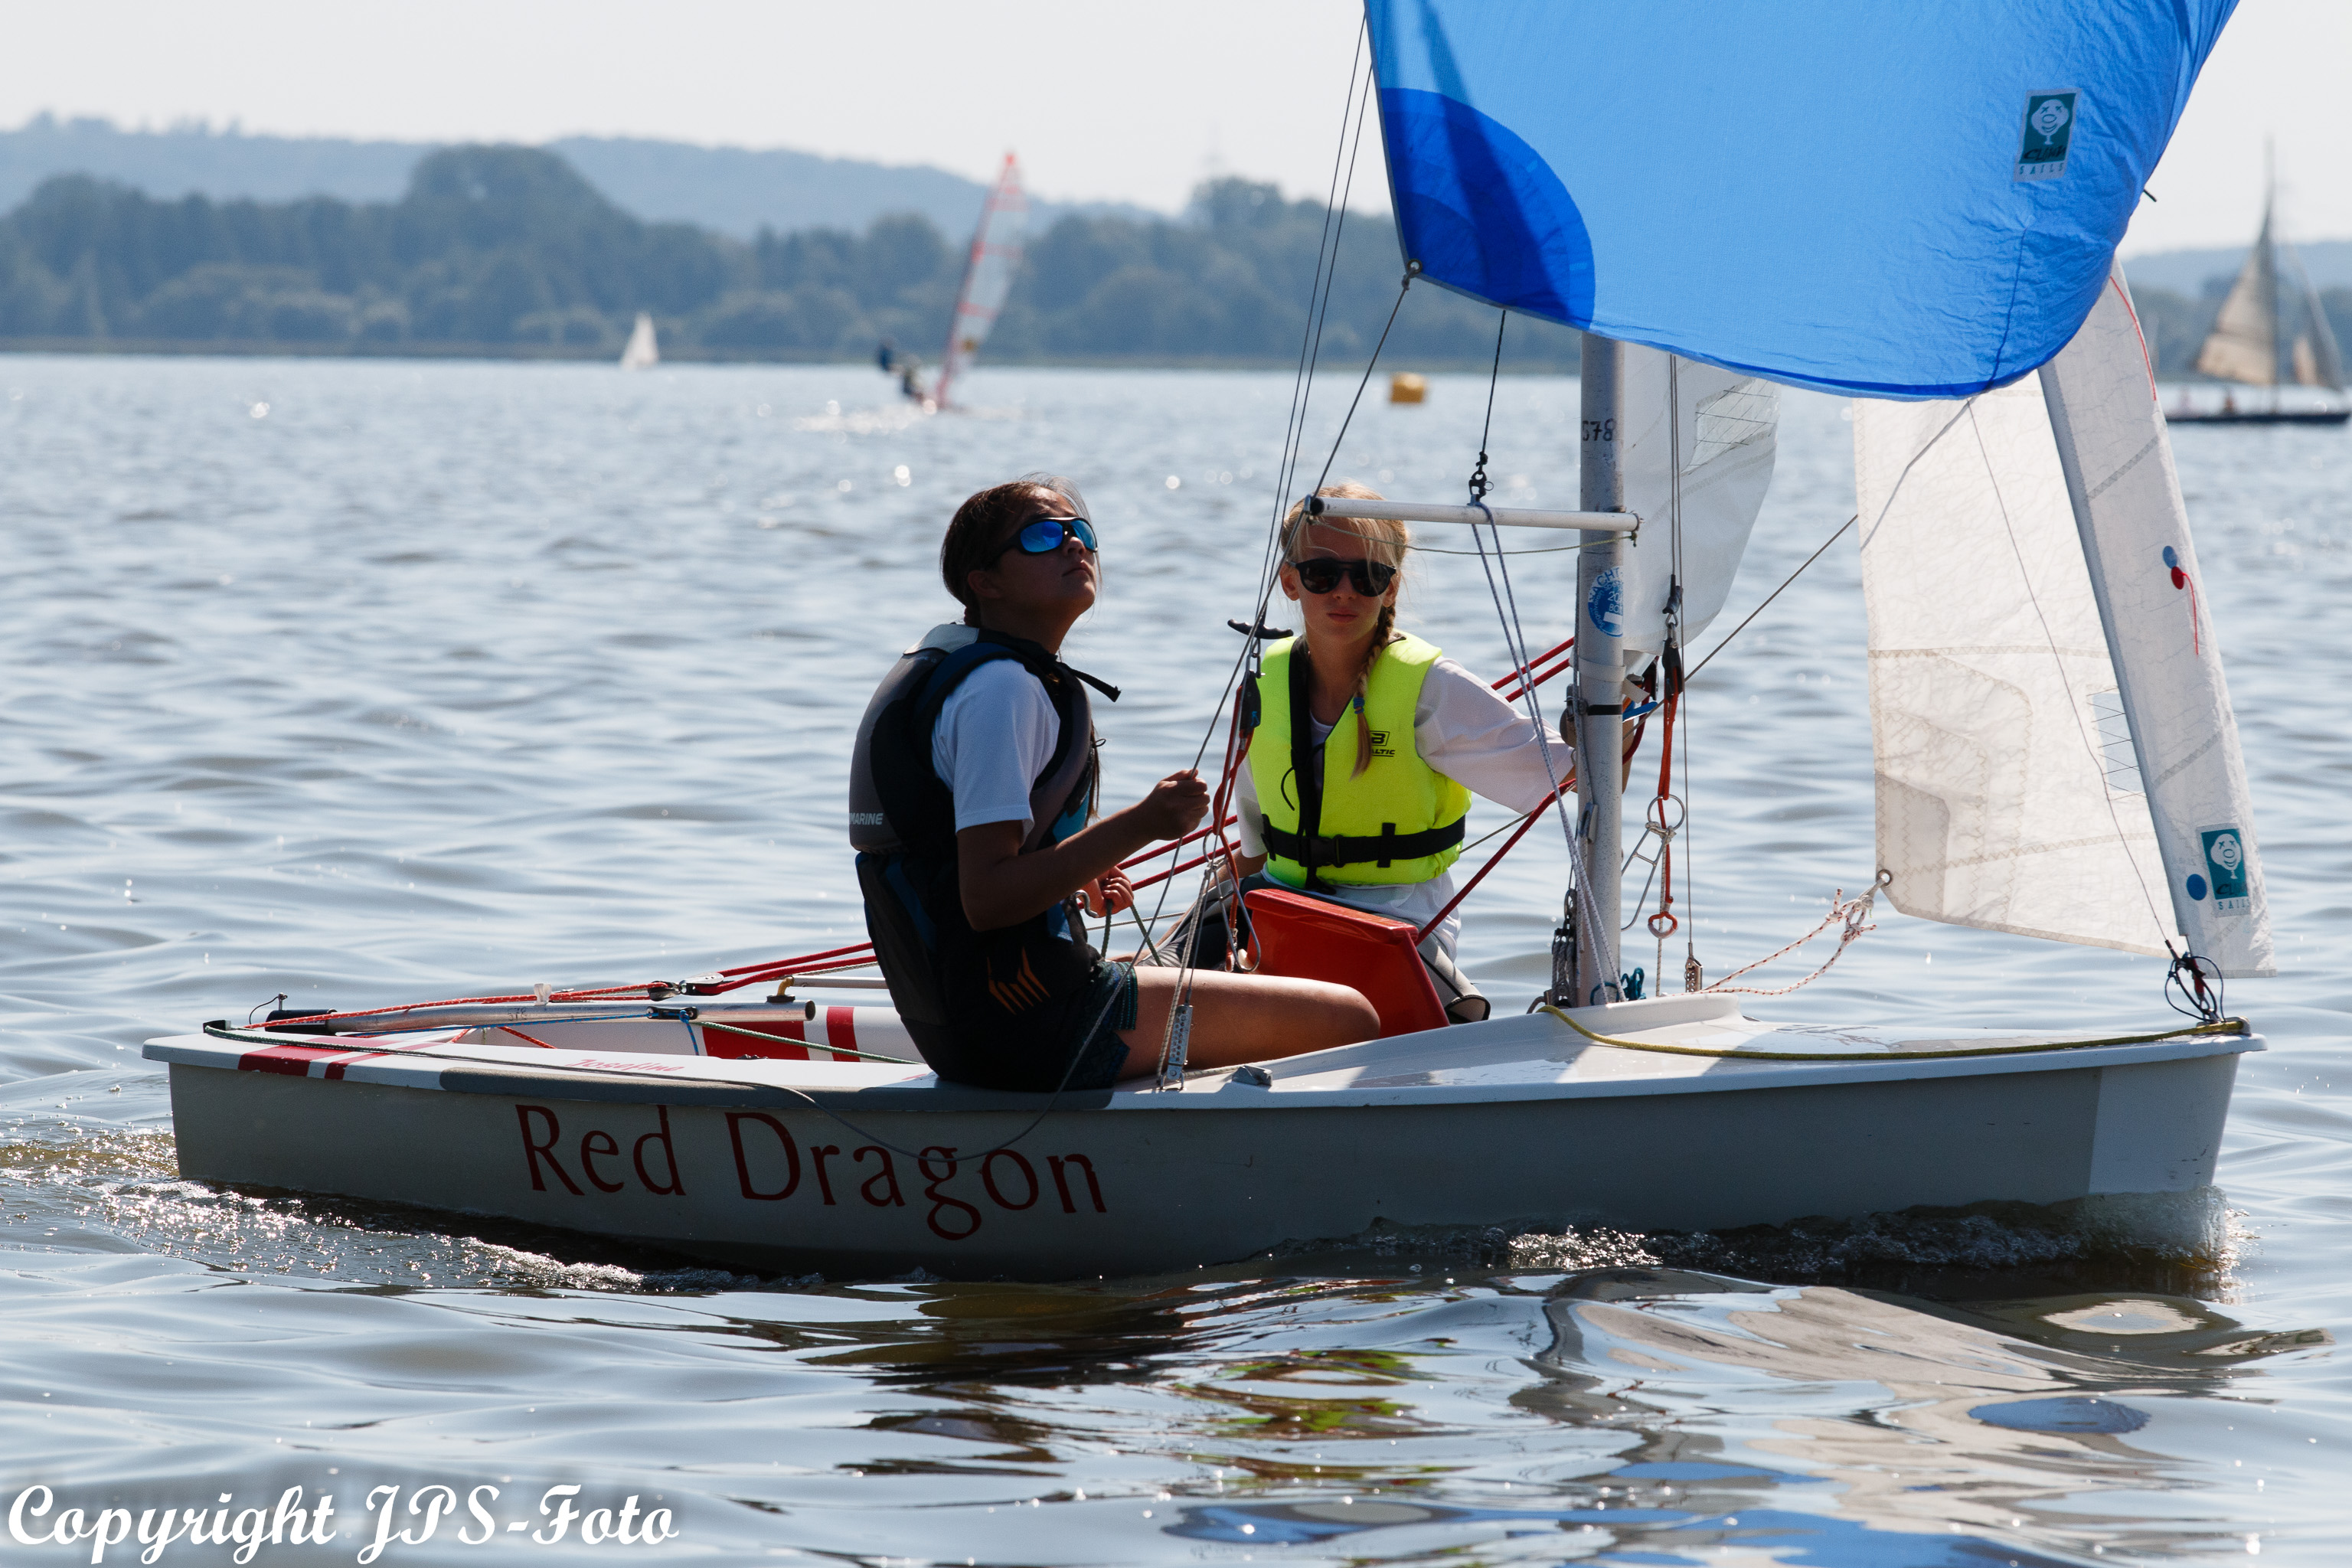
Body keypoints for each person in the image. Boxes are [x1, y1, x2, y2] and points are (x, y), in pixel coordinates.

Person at [850, 475, 1379, 1093]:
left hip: (968, 1028)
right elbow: (987, 898)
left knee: (1181, 965)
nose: (1074, 545)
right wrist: (1143, 825)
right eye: (1042, 536)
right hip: (1037, 1030)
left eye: (1080, 532)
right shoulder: (1001, 689)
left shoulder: (963, 667)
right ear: (985, 582)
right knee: (1351, 1017)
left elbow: (971, 836)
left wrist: (1086, 865)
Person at [1223, 483, 1573, 1022]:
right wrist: (1199, 931)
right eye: (1322, 574)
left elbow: (1569, 774)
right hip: (1281, 917)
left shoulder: (1432, 688)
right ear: (1290, 581)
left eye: (1367, 576)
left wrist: (1611, 722)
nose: (1345, 591)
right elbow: (1252, 851)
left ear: (1390, 588)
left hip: (1391, 931)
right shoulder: (1263, 685)